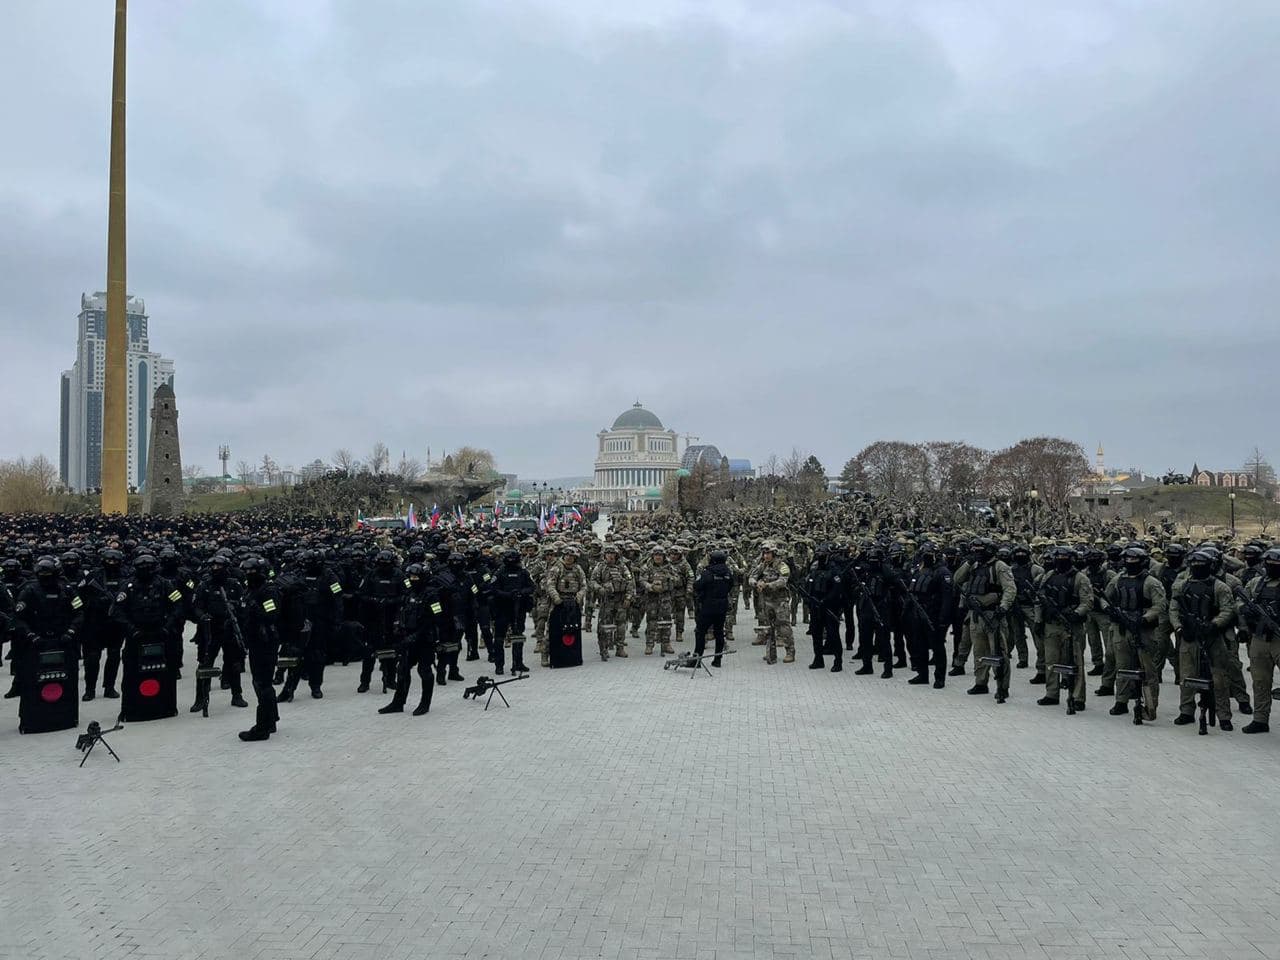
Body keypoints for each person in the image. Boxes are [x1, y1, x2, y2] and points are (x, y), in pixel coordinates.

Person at [1169, 549, 1236, 732]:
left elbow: (1227, 610)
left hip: (1212, 638)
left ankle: (1224, 715)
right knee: (1186, 677)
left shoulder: (1219, 587)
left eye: (1202, 566)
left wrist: (1214, 625)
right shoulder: (1181, 586)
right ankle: (1187, 711)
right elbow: (1173, 609)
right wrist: (1179, 628)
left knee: (1219, 678)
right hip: (1189, 638)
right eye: (1195, 566)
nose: (1197, 569)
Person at [1102, 546, 1166, 720]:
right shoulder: (1117, 580)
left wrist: (1144, 619)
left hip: (1144, 630)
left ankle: (1150, 705)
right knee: (1122, 666)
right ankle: (1121, 701)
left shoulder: (1151, 582)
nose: (1130, 564)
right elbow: (1104, 598)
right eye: (1127, 561)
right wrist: (1109, 609)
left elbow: (1159, 605)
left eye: (1134, 561)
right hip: (1122, 629)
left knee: (1148, 670)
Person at [1036, 546, 1094, 712]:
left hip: (1072, 626)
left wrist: (1075, 614)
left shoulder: (1080, 578)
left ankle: (1077, 697)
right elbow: (1040, 598)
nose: (1061, 560)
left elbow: (1087, 602)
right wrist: (1039, 620)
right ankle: (1052, 693)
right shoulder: (1049, 576)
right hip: (1052, 624)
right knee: (1051, 660)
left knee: (1075, 661)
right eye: (1058, 557)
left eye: (1064, 557)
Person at [379, 562, 441, 716]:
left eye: (416, 577)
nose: (413, 579)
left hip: (425, 639)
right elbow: (402, 614)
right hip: (408, 638)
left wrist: (417, 635)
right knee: (402, 669)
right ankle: (398, 702)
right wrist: (399, 630)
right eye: (411, 577)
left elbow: (435, 618)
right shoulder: (409, 594)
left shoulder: (432, 594)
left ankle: (424, 703)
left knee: (424, 671)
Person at [959, 539, 1017, 703]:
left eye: (980, 550)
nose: (977, 553)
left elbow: (1010, 589)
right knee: (979, 652)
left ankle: (1002, 686)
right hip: (976, 616)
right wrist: (968, 562)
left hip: (993, 615)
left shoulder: (1000, 567)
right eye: (975, 550)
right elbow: (957, 579)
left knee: (999, 652)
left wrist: (1003, 607)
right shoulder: (974, 566)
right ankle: (980, 682)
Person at [191, 555, 249, 713]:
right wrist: (202, 616)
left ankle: (237, 695)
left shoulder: (234, 585)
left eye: (219, 567)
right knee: (205, 664)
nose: (216, 569)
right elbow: (196, 606)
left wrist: (236, 609)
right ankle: (200, 699)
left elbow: (244, 604)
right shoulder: (205, 586)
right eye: (213, 567)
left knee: (234, 663)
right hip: (211, 629)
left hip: (230, 629)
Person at [1240, 547, 1280, 733]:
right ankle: (1260, 719)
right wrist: (1245, 611)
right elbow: (1241, 601)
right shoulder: (1256, 583)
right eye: (1269, 564)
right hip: (1259, 638)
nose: (1272, 567)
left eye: (1276, 565)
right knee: (1260, 681)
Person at [906, 542, 952, 688]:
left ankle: (939, 678)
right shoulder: (919, 570)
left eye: (929, 555)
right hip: (918, 614)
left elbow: (947, 597)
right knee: (920, 646)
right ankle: (922, 674)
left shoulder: (942, 572)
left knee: (937, 647)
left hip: (934, 615)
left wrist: (943, 618)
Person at [749, 542, 794, 665]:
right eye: (764, 553)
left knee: (784, 627)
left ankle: (790, 652)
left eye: (768, 553)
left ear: (774, 553)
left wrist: (767, 585)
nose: (766, 555)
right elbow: (751, 577)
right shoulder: (762, 566)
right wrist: (756, 583)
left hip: (780, 601)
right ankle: (771, 653)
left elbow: (783, 581)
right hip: (767, 601)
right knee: (769, 628)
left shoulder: (782, 565)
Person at [491, 549, 533, 674]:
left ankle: (518, 663)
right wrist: (507, 595)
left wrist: (521, 593)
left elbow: (532, 586)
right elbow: (493, 589)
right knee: (499, 638)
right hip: (502, 608)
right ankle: (499, 665)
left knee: (518, 636)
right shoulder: (499, 572)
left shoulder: (523, 572)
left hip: (518, 608)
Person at [590, 543, 635, 659]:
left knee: (621, 625)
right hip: (607, 600)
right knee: (604, 626)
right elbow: (593, 581)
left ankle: (619, 648)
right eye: (608, 554)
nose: (610, 556)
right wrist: (600, 588)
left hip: (620, 600)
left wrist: (628, 598)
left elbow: (630, 583)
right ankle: (604, 649)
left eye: (612, 554)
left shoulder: (623, 567)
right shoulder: (600, 567)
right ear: (604, 555)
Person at [692, 549, 733, 666]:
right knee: (719, 632)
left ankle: (697, 660)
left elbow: (697, 585)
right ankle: (717, 660)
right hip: (722, 606)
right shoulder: (727, 573)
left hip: (708, 606)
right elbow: (730, 586)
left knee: (700, 632)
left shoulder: (707, 573)